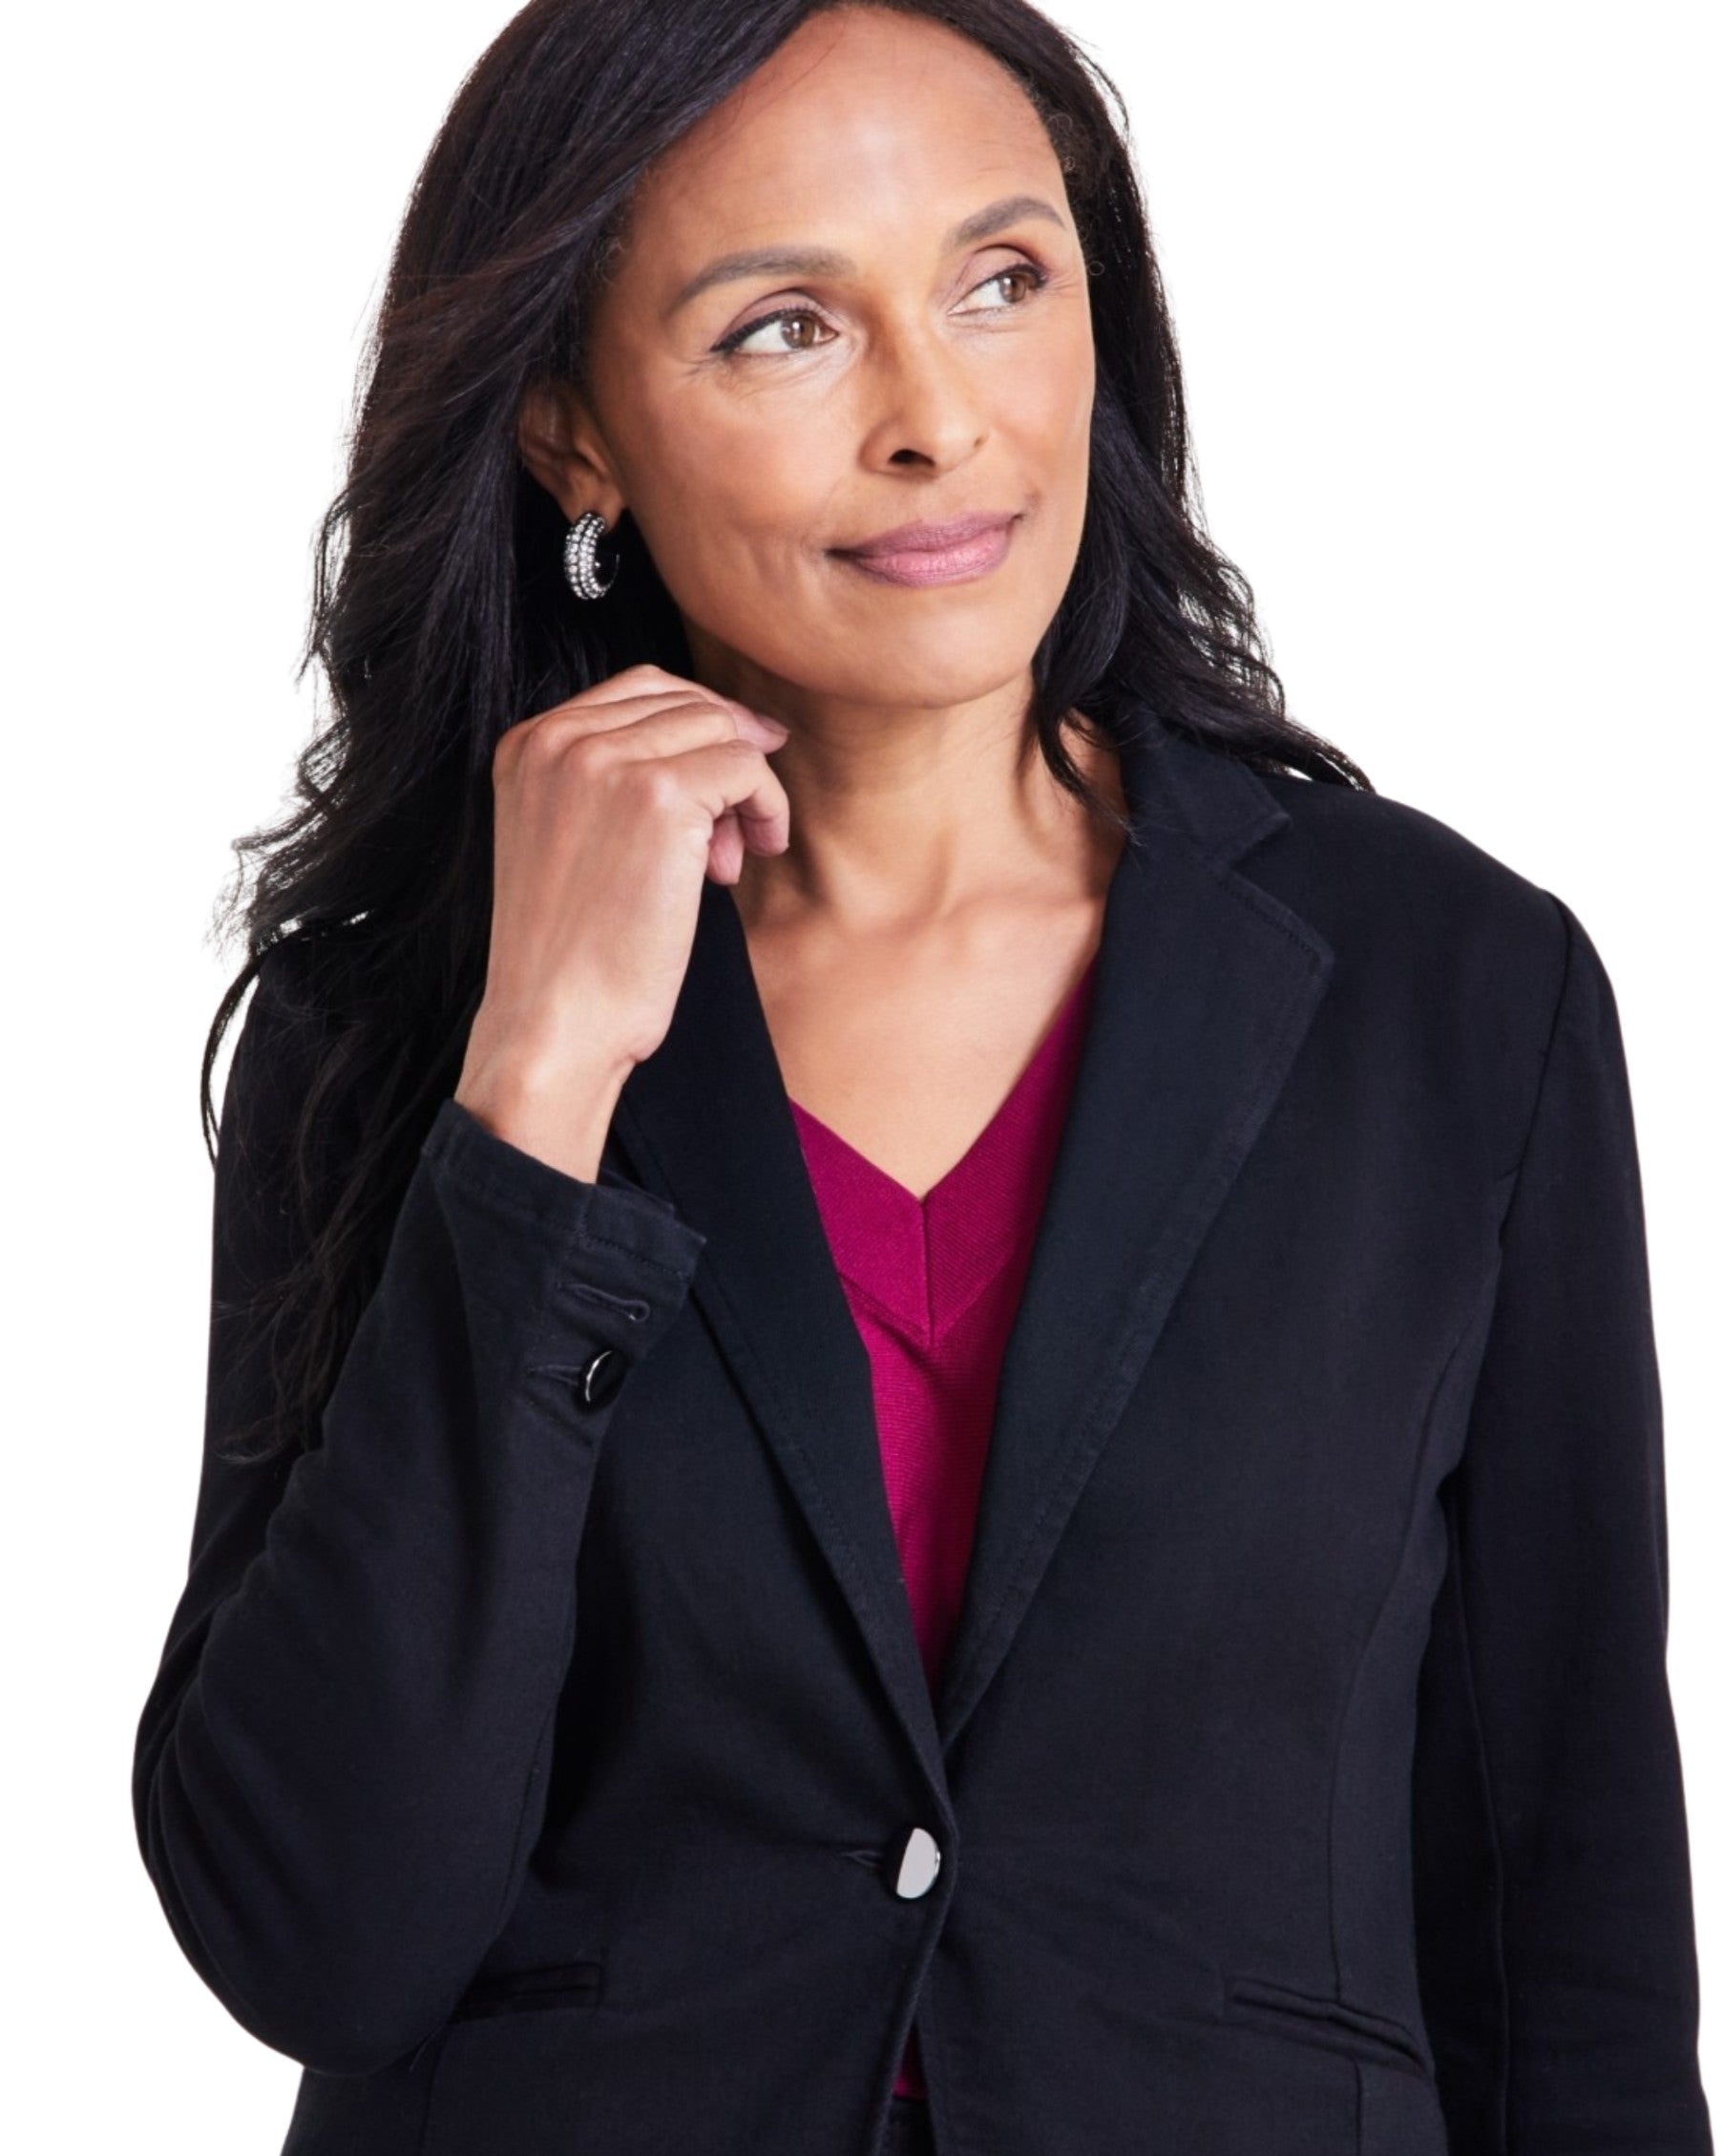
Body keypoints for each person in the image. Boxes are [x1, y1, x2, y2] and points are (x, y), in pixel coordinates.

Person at [131, 3, 1713, 2152]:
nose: (938, 419)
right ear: (574, 436)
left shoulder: (1450, 995)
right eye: (784, 327)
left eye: (1000, 280)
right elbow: (317, 1930)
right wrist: (540, 1080)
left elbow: (1566, 1929)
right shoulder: (408, 1026)